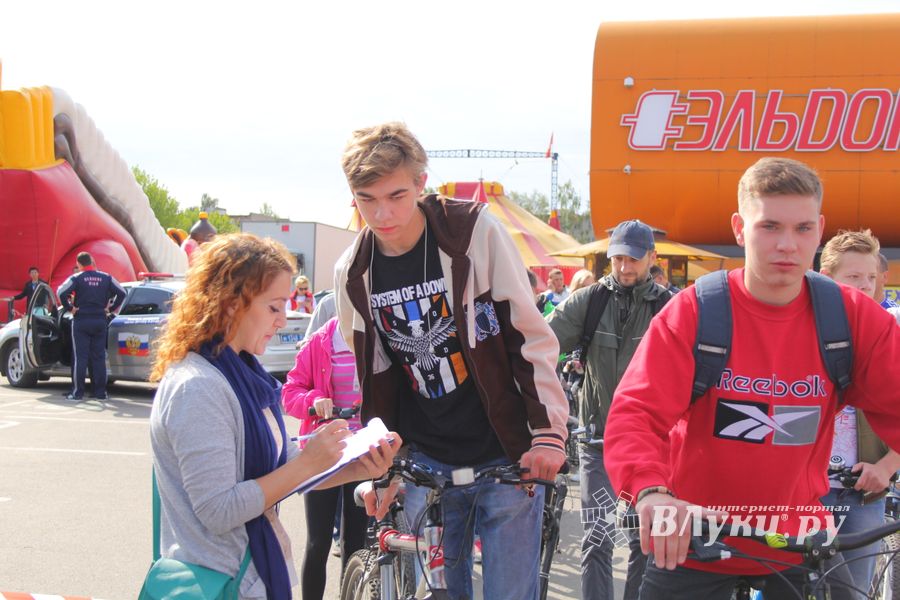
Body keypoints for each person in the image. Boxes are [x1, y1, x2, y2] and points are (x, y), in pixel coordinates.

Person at [603, 157, 900, 600]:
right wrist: (650, 493)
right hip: (692, 540)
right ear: (740, 228)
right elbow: (636, 413)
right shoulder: (695, 310)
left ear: (820, 230)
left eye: (802, 229)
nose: (787, 244)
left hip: (797, 547)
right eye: (770, 226)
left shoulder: (851, 319)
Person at [334, 121, 568, 600]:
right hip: (425, 461)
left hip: (506, 454)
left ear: (422, 182)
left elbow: (530, 336)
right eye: (366, 199)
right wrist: (381, 468)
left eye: (396, 195)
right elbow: (373, 375)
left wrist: (548, 434)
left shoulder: (473, 233)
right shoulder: (353, 272)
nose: (382, 213)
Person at [149, 233, 400, 599]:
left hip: (245, 578)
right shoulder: (198, 387)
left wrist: (361, 465)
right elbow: (218, 510)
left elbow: (274, 468)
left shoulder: (238, 374)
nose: (283, 320)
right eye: (274, 307)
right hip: (222, 584)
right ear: (233, 303)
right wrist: (309, 461)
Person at [546, 219, 673, 600]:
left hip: (648, 446)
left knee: (641, 540)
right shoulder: (591, 299)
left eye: (632, 259)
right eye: (617, 258)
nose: (623, 268)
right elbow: (540, 344)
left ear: (652, 257)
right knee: (596, 537)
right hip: (596, 439)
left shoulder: (669, 307)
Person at [818, 228, 900, 592]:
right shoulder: (801, 330)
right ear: (825, 279)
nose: (865, 286)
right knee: (789, 586)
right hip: (803, 491)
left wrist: (885, 467)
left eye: (871, 277)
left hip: (865, 490)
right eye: (853, 277)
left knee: (852, 591)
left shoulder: (891, 333)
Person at [282, 316, 367, 600]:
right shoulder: (320, 340)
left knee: (356, 543)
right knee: (318, 542)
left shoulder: (373, 334)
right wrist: (314, 400)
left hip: (364, 453)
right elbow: (290, 391)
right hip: (324, 453)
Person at [56, 252, 127, 401]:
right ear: (92, 262)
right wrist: (110, 308)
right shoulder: (106, 277)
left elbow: (60, 291)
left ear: (79, 264)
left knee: (81, 357)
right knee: (99, 357)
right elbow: (122, 292)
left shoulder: (76, 278)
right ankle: (100, 392)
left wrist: (70, 308)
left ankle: (77, 392)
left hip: (81, 320)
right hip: (100, 320)